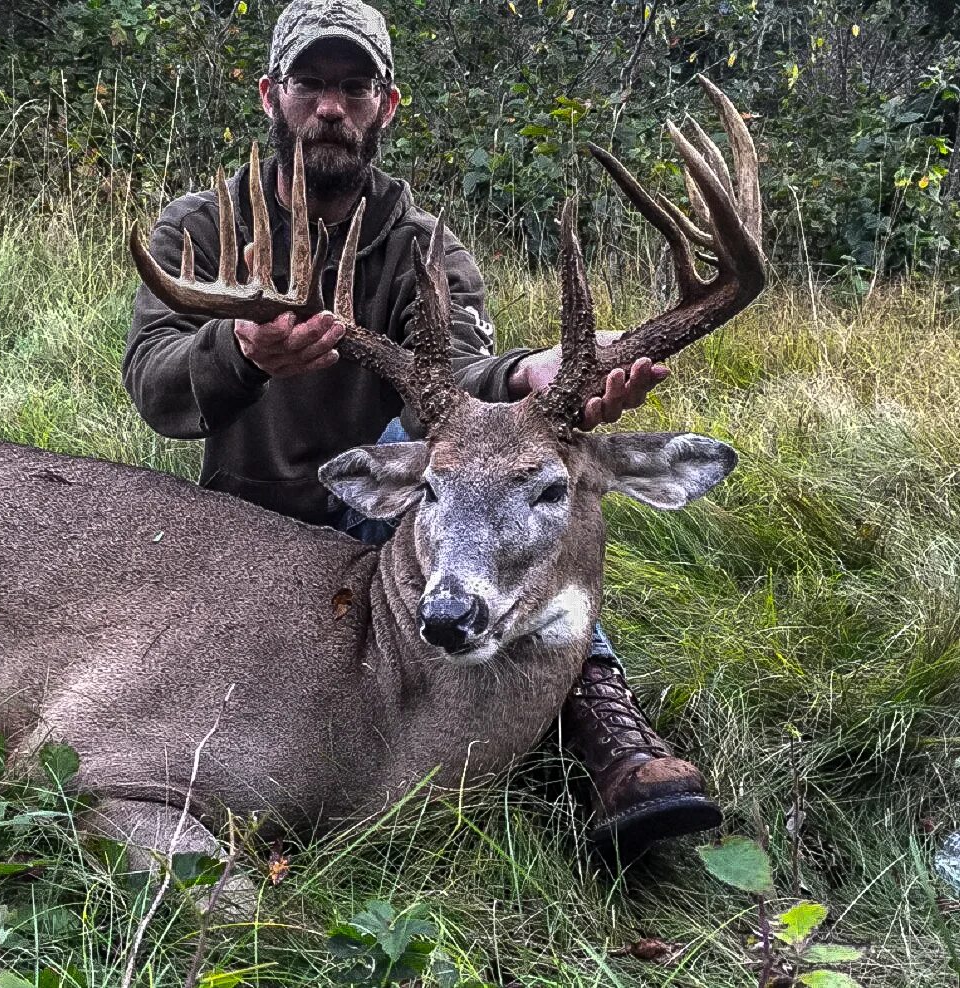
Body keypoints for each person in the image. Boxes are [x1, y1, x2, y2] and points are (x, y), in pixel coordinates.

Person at [125, 0, 721, 853]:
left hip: (391, 503)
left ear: (386, 104)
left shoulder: (427, 252)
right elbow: (153, 387)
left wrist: (524, 376)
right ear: (271, 95)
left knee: (524, 487)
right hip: (244, 514)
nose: (331, 106)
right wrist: (242, 351)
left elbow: (456, 392)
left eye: (354, 86)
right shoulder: (203, 228)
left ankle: (606, 728)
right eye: (310, 84)